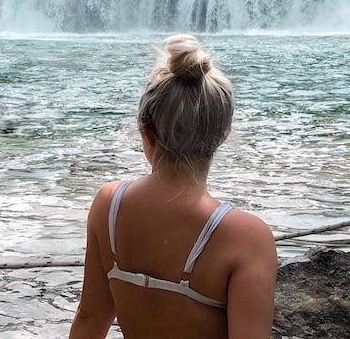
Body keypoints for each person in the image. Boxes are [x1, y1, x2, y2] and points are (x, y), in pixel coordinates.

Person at [69, 34, 278, 339]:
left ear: (146, 132)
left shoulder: (108, 207)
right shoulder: (246, 238)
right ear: (223, 135)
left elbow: (89, 318)